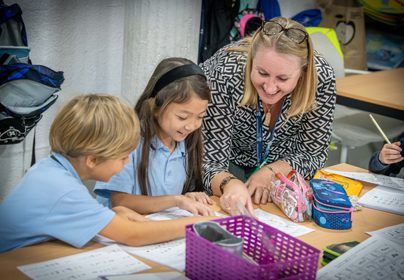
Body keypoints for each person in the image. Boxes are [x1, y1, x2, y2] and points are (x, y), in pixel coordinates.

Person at [0, 94, 214, 253]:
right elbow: (134, 235)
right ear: (92, 159)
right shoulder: (64, 190)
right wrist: (205, 224)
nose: (126, 163)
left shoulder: (50, 170)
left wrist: (116, 214)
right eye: (123, 158)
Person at [200, 16, 336, 215]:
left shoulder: (321, 79)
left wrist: (272, 172)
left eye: (282, 78)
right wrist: (229, 184)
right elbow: (209, 160)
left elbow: (313, 154)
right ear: (252, 61)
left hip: (280, 168)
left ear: (302, 72)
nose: (270, 87)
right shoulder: (225, 72)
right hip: (228, 159)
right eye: (262, 73)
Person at [94, 58, 214, 216]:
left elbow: (180, 196)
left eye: (200, 117)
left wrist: (189, 196)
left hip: (161, 230)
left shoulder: (185, 141)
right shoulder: (127, 139)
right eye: (182, 117)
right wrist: (176, 200)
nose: (191, 126)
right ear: (155, 106)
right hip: (121, 233)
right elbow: (120, 201)